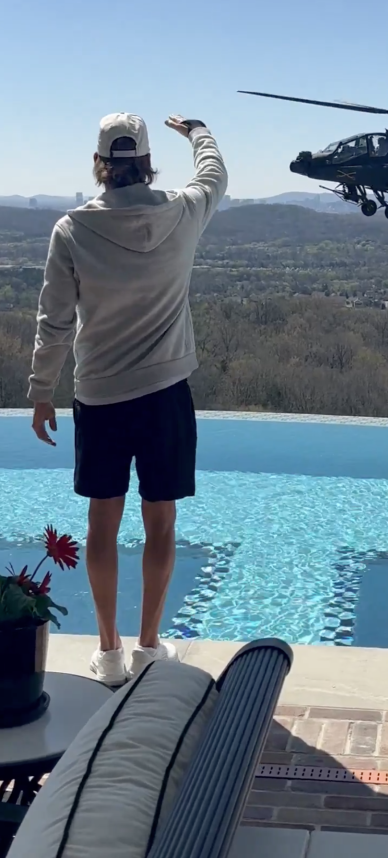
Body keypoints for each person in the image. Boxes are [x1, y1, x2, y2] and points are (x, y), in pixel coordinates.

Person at [28, 113, 228, 685]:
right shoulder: (184, 212)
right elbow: (214, 174)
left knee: (101, 523)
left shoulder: (72, 230)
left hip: (100, 395)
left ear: (99, 165)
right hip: (166, 393)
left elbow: (55, 321)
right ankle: (147, 646)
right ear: (145, 162)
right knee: (160, 521)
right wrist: (197, 133)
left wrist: (42, 391)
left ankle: (109, 651)